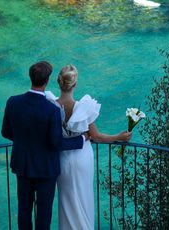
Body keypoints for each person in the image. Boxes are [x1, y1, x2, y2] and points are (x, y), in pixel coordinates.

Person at [2, 61, 85, 230]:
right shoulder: (51, 110)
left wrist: (24, 141)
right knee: (44, 212)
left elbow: (6, 132)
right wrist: (81, 140)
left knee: (24, 209)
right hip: (45, 169)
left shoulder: (13, 102)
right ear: (47, 81)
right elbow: (56, 142)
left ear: (31, 78)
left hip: (23, 165)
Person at [52, 65, 131, 230]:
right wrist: (119, 137)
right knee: (83, 198)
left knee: (66, 202)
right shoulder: (82, 107)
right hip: (82, 159)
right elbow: (96, 136)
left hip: (62, 160)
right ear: (75, 84)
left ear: (58, 82)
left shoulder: (50, 105)